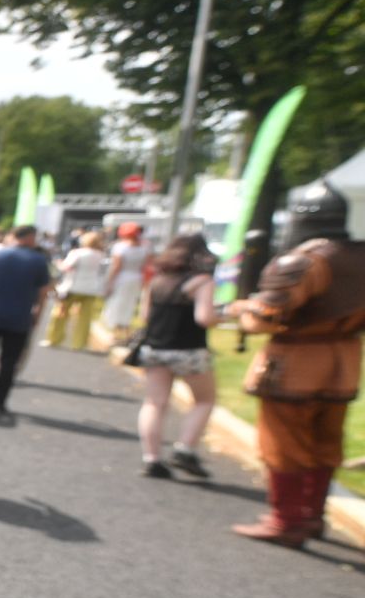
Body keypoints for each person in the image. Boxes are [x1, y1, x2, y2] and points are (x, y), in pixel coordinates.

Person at [228, 182, 365, 546]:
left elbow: (265, 318)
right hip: (345, 362)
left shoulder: (304, 261)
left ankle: (285, 521)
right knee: (326, 443)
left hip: (295, 365)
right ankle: (311, 517)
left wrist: (242, 310)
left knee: (283, 445)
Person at [136, 233, 220, 480]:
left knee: (154, 403)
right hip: (189, 350)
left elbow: (145, 316)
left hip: (155, 347)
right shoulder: (201, 281)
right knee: (204, 400)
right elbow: (204, 318)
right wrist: (223, 317)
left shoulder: (157, 280)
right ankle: (185, 448)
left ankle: (151, 458)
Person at [0, 225, 55, 419]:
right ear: (31, 238)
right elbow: (43, 293)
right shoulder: (38, 261)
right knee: (9, 361)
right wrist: (37, 315)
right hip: (20, 319)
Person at [43, 230, 109, 350]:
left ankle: (54, 338)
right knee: (84, 318)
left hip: (72, 287)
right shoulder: (101, 255)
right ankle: (79, 343)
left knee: (60, 314)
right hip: (91, 288)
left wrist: (59, 264)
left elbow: (66, 267)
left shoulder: (77, 253)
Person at [102, 222, 150, 333]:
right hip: (137, 277)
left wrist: (109, 281)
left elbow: (116, 266)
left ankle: (113, 324)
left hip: (122, 277)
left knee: (117, 300)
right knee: (131, 302)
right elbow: (146, 265)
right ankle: (124, 324)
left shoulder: (120, 247)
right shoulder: (144, 248)